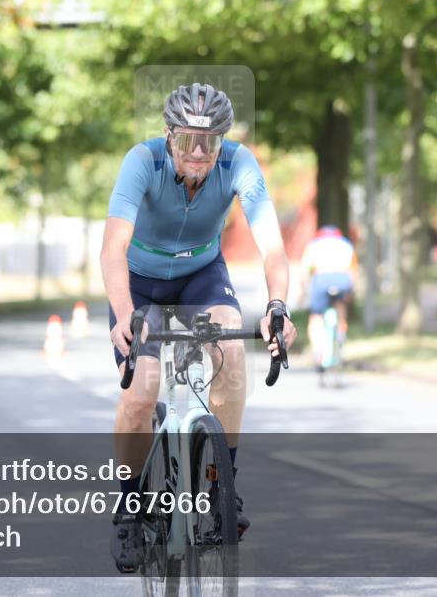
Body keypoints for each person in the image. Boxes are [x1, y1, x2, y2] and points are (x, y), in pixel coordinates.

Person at [101, 82, 297, 573]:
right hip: (140, 284)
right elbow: (113, 247)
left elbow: (273, 247)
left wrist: (278, 306)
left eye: (209, 142)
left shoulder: (238, 163)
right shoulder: (142, 161)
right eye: (188, 139)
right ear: (169, 135)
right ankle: (129, 507)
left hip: (201, 276)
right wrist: (124, 312)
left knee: (233, 352)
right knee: (141, 393)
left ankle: (219, 488)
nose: (198, 152)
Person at [299, 225, 357, 370]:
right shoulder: (346, 245)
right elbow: (353, 273)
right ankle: (341, 333)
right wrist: (351, 292)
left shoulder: (313, 245)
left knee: (316, 317)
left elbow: (304, 272)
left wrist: (303, 293)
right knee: (341, 306)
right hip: (342, 279)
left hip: (321, 280)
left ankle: (318, 352)